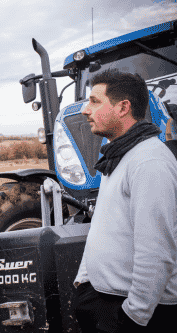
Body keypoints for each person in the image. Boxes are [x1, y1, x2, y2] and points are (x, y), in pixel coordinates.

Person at [74, 69, 177, 333]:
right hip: (103, 299)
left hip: (132, 312)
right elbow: (103, 225)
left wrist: (134, 317)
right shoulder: (120, 155)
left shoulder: (149, 162)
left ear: (123, 107)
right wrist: (84, 279)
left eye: (95, 101)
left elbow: (156, 252)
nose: (86, 110)